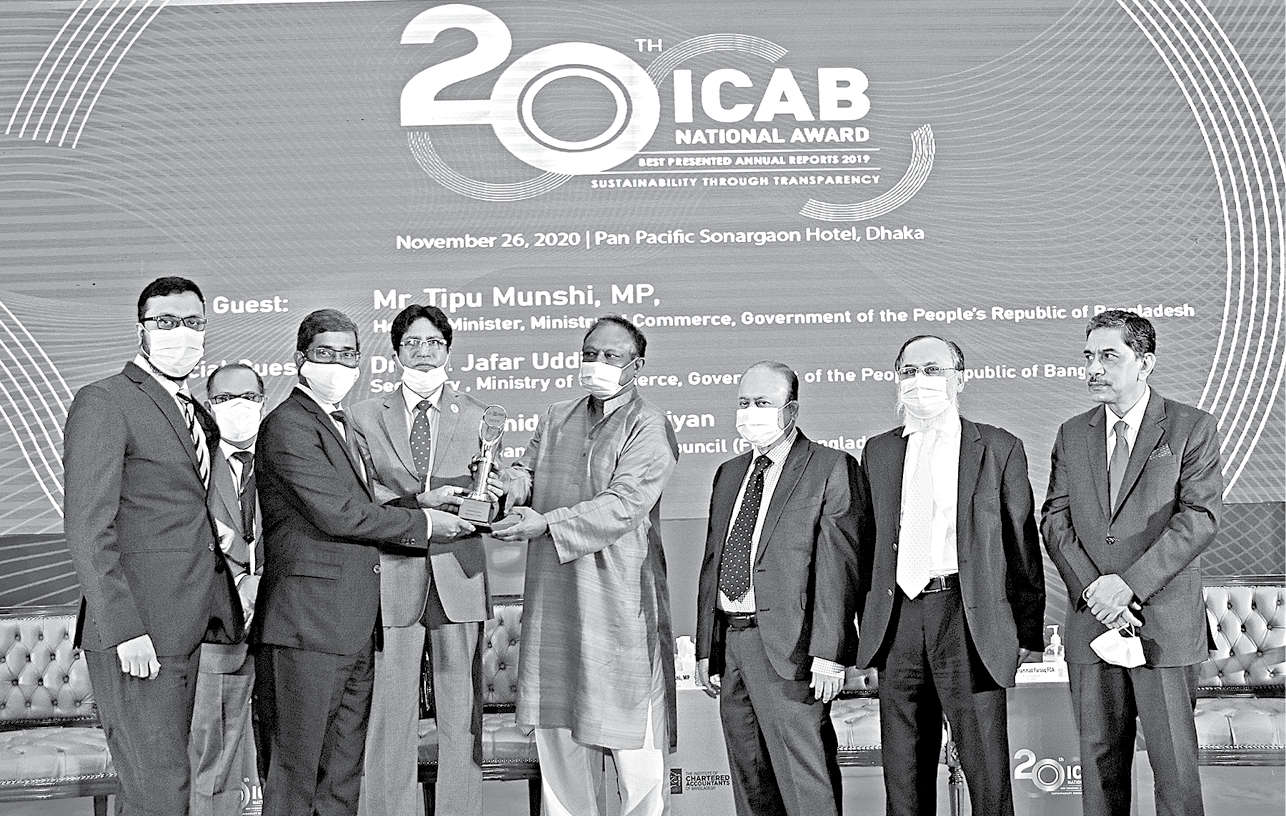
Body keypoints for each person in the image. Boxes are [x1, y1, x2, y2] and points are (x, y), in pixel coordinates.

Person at [63, 276, 243, 815]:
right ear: (141, 329)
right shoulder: (105, 401)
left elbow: (173, 504)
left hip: (184, 623)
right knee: (161, 790)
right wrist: (125, 630)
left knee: (159, 787)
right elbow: (88, 528)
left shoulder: (193, 410)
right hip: (138, 632)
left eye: (192, 322)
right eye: (166, 321)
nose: (180, 333)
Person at [252, 309, 442, 816]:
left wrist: (422, 504)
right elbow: (336, 513)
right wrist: (424, 525)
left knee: (340, 776)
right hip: (306, 627)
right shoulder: (288, 425)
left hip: (352, 625)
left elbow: (359, 506)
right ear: (300, 359)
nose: (338, 364)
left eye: (348, 354)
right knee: (296, 775)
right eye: (325, 353)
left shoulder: (340, 423)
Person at [492, 315, 678, 816]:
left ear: (637, 365)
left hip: (618, 602)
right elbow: (526, 475)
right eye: (590, 352)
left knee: (635, 751)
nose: (597, 363)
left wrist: (545, 524)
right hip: (555, 600)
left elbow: (624, 505)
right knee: (558, 741)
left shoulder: (650, 424)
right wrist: (503, 483)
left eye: (611, 356)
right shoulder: (557, 416)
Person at [854, 334, 1045, 816]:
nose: (920, 381)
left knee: (986, 774)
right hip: (898, 621)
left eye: (933, 370)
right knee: (904, 777)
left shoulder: (998, 447)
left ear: (960, 378)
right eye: (909, 371)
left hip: (968, 619)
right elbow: (867, 545)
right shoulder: (878, 451)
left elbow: (1021, 544)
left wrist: (1027, 631)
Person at [1041, 309, 1220, 816]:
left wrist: (1129, 586)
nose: (1094, 368)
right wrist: (1097, 590)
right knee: (1100, 767)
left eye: (1108, 356)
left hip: (1163, 623)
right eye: (1088, 357)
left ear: (1145, 363)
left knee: (1174, 768)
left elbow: (1199, 518)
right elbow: (1054, 519)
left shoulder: (1190, 426)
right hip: (1093, 621)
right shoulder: (1072, 433)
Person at [694, 361, 863, 816]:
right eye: (744, 402)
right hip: (733, 646)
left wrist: (829, 653)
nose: (751, 412)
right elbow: (714, 560)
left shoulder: (829, 466)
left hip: (793, 652)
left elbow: (838, 569)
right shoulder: (729, 473)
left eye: (763, 402)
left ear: (791, 409)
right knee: (751, 786)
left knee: (806, 787)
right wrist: (708, 648)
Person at [352, 304, 501, 816]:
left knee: (461, 717)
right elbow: (361, 493)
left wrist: (493, 495)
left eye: (433, 342)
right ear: (396, 352)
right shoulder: (364, 415)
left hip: (458, 571)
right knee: (389, 715)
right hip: (393, 570)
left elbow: (494, 485)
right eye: (412, 342)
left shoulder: (480, 415)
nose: (423, 351)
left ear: (448, 350)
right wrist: (419, 503)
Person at [189, 363, 267, 815]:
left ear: (263, 400)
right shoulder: (191, 463)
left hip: (283, 624)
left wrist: (263, 581)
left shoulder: (286, 457)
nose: (237, 406)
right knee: (214, 760)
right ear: (209, 404)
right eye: (224, 399)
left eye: (248, 397)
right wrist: (239, 581)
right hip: (218, 626)